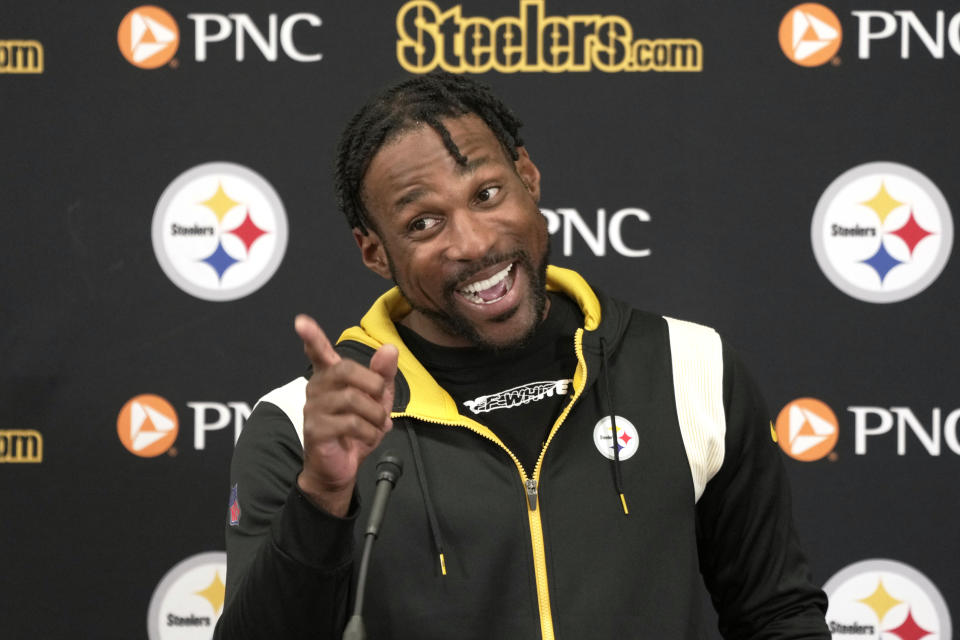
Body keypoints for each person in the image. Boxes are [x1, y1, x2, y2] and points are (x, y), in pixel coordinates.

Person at [214, 72, 829, 639]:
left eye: (486, 193)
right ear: (374, 252)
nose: (475, 242)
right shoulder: (301, 426)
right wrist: (322, 495)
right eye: (424, 223)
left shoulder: (688, 366)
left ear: (528, 179)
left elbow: (778, 617)